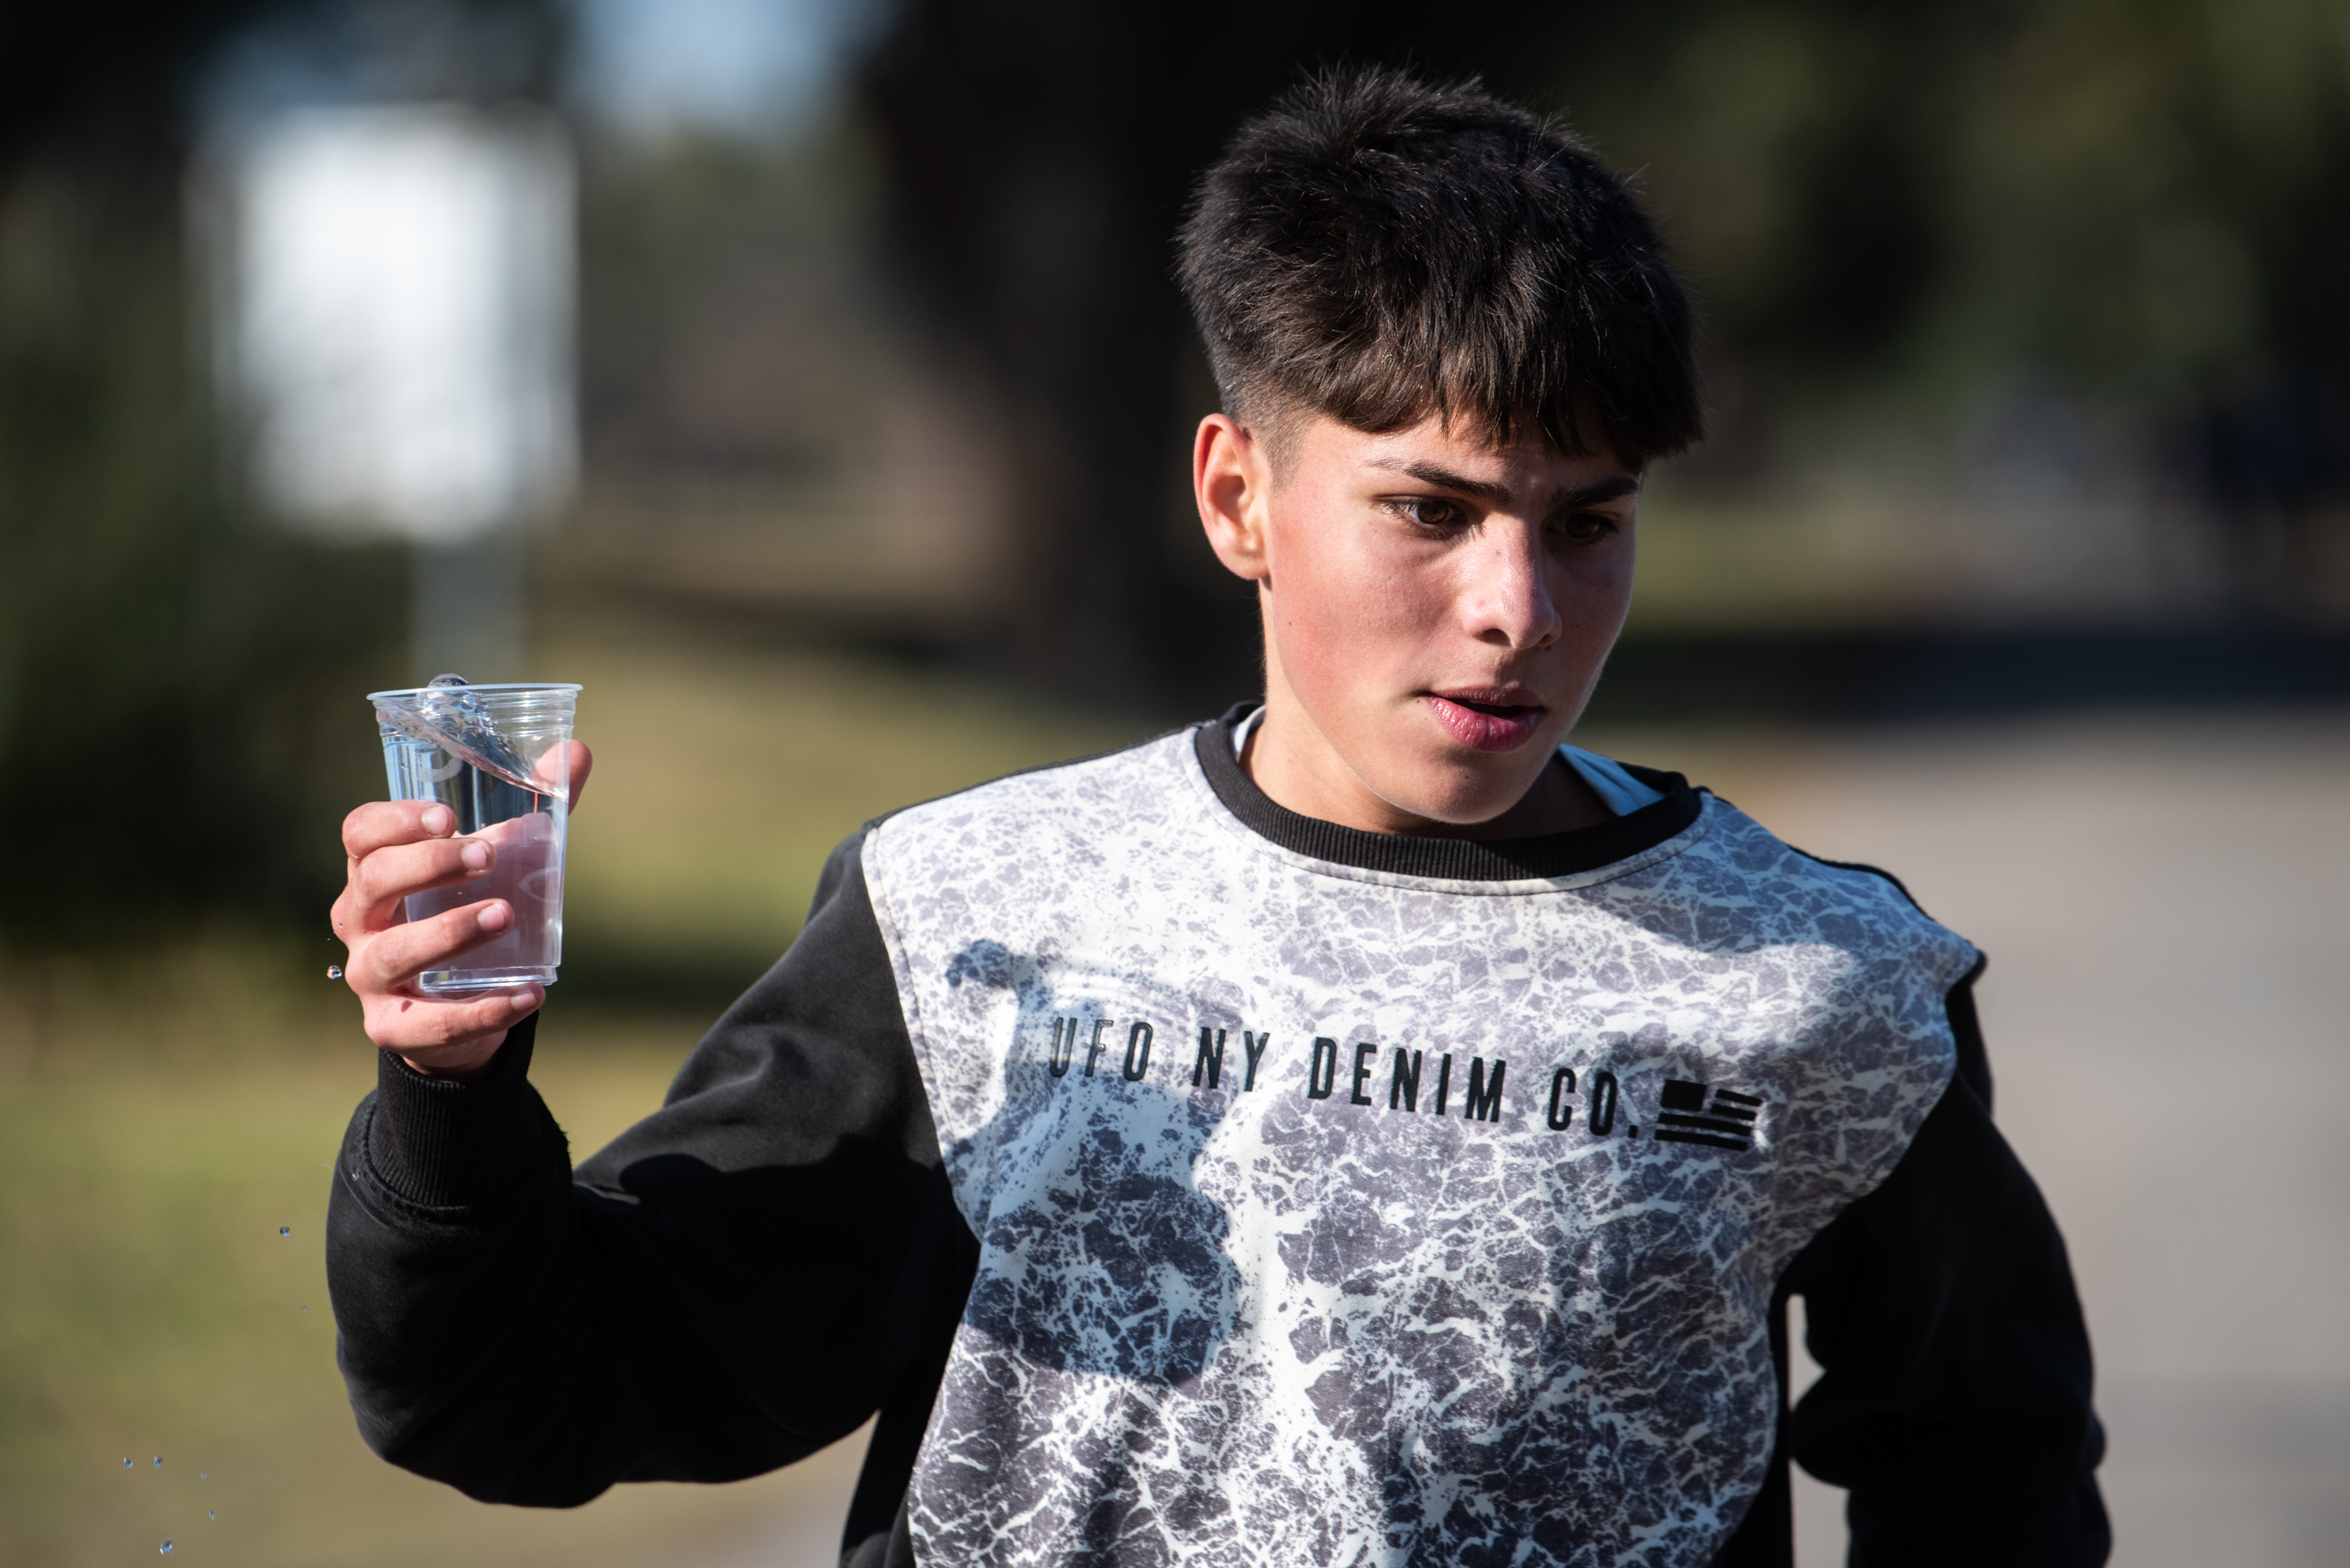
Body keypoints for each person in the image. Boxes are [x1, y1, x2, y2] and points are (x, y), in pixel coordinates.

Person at [325, 67, 2108, 1568]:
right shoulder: (975, 916)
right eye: (1430, 509)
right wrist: (452, 1100)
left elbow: (1990, 1471)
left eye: (1585, 522)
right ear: (1240, 495)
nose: (1518, 609)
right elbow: (535, 1389)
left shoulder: (1826, 987)